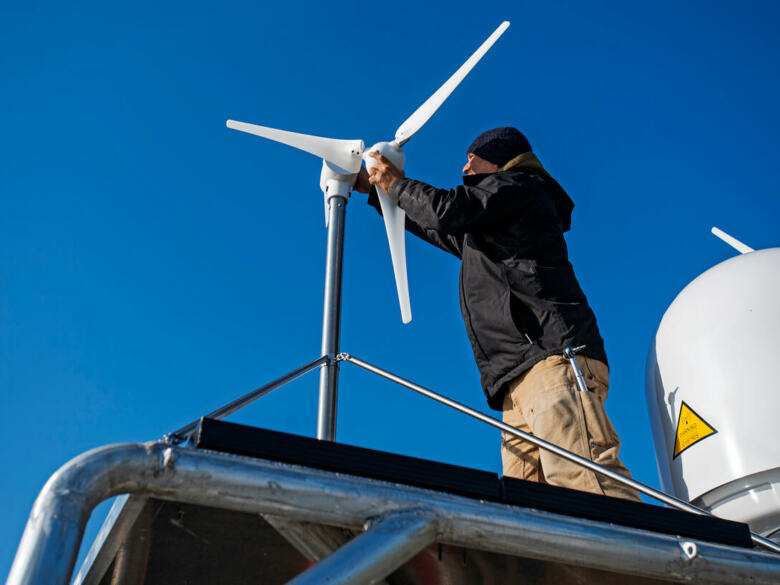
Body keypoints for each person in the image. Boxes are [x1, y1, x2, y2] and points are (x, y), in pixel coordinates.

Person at [354, 127, 640, 501]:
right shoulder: (494, 219)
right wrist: (378, 191)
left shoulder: (521, 187)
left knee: (585, 482)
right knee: (528, 505)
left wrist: (397, 184)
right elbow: (436, 223)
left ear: (498, 158)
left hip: (550, 357)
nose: (464, 168)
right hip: (516, 377)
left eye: (471, 160)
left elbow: (447, 210)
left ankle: (634, 558)